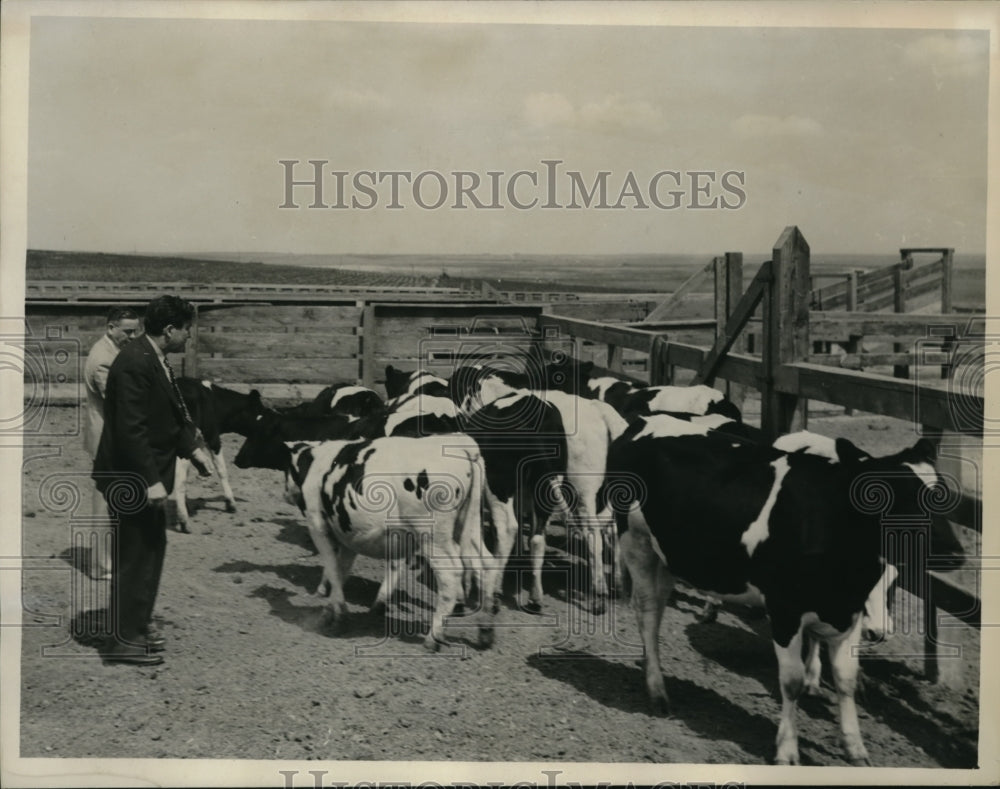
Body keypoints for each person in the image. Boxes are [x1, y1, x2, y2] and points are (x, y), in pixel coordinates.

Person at [93, 295, 212, 666]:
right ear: (170, 329)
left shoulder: (153, 359)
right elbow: (131, 430)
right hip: (131, 479)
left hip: (145, 475)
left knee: (149, 551)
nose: (189, 336)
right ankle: (122, 641)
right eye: (186, 329)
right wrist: (150, 481)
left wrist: (191, 447)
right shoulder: (133, 364)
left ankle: (136, 624)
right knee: (135, 556)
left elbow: (168, 414)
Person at [83, 306, 140, 579]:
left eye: (135, 331)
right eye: (127, 331)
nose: (132, 336)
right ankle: (99, 565)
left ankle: (107, 560)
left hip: (110, 436)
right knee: (105, 504)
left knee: (111, 501)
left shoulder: (112, 351)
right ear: (110, 328)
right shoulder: (103, 359)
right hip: (106, 438)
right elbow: (118, 402)